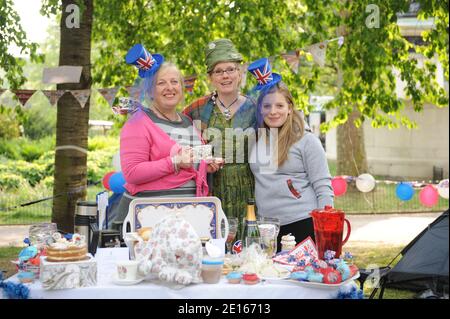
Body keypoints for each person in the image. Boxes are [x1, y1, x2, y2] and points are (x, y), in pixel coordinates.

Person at [110, 44, 221, 229]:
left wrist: (204, 165)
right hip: (146, 222)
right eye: (161, 83)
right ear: (150, 91)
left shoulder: (187, 122)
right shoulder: (138, 123)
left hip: (187, 219)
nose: (169, 88)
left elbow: (189, 162)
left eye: (174, 82)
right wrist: (174, 162)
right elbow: (132, 173)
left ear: (182, 87)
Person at [247, 58, 334, 252]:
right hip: (267, 228)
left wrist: (325, 230)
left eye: (279, 106)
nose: (273, 111)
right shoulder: (255, 139)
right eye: (267, 106)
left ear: (289, 108)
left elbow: (323, 186)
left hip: (302, 222)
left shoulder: (306, 140)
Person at [183, 39, 256, 241]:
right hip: (210, 188)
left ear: (240, 73)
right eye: (218, 71)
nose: (225, 75)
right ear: (210, 78)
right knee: (212, 245)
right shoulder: (196, 109)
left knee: (248, 246)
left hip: (249, 190)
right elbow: (177, 145)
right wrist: (201, 163)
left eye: (231, 69)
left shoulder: (256, 108)